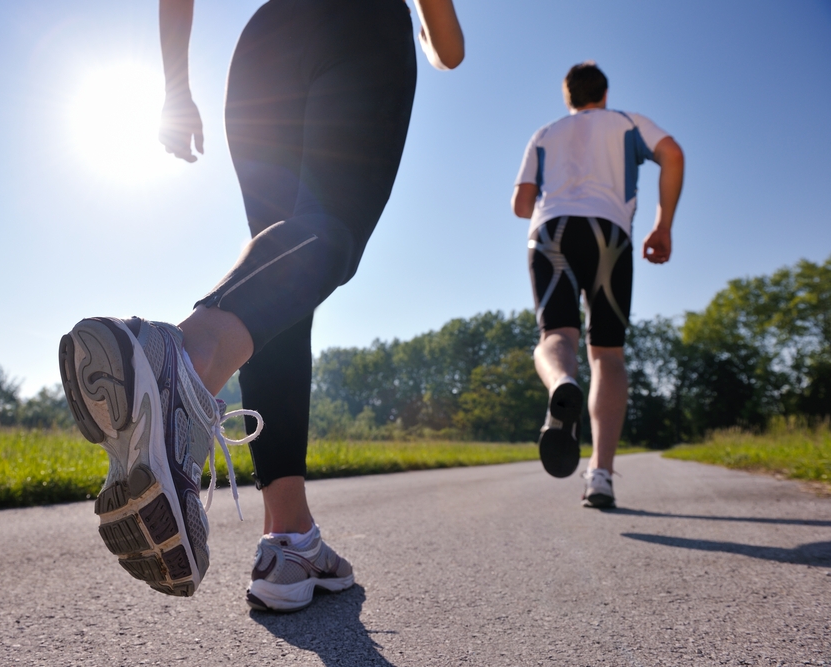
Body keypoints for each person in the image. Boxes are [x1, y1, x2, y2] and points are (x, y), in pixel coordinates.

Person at [59, 0, 464, 611]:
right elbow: (450, 48)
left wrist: (174, 87)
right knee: (331, 230)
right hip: (360, 23)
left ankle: (289, 538)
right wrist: (430, 37)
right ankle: (185, 366)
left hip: (263, 48)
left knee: (277, 298)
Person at [510, 62, 684, 508]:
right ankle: (600, 475)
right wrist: (663, 225)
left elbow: (520, 204)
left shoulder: (545, 132)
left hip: (551, 232)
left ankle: (561, 384)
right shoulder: (627, 122)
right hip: (609, 234)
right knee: (606, 353)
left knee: (555, 336)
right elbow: (673, 154)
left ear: (568, 97)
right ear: (603, 94)